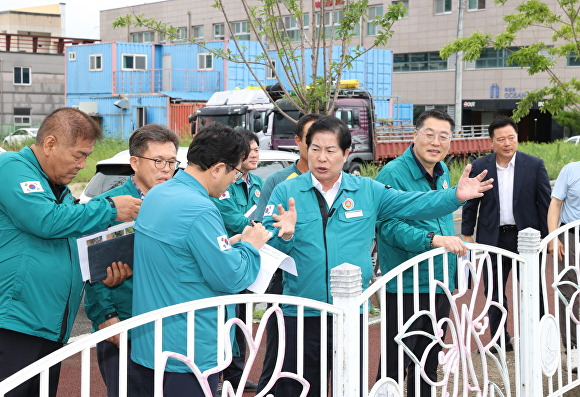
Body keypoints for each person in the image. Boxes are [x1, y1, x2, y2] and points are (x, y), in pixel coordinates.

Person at [261, 115, 493, 397]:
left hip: (351, 312)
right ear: (305, 150)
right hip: (302, 314)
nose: (322, 158)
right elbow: (269, 252)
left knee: (351, 387)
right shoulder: (286, 191)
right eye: (315, 149)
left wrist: (455, 196)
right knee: (298, 388)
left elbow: (415, 204)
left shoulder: (367, 191)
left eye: (330, 150)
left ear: (346, 154)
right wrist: (285, 235)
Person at [0, 107, 141, 397]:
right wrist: (110, 207)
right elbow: (45, 221)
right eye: (78, 154)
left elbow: (68, 242)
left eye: (87, 156)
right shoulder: (12, 167)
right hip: (15, 323)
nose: (82, 164)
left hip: (50, 327)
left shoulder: (59, 189)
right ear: (50, 144)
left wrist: (105, 271)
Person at [130, 122, 272, 397]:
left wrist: (229, 245)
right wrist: (251, 246)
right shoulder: (200, 208)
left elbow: (183, 254)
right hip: (190, 349)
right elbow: (230, 277)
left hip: (153, 341)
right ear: (218, 168)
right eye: (235, 171)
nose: (234, 179)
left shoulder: (159, 192)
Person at [374, 109, 468, 395]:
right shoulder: (392, 173)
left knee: (429, 359)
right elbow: (387, 227)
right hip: (406, 285)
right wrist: (433, 239)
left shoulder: (443, 172)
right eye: (429, 134)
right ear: (414, 135)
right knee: (396, 359)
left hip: (439, 282)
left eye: (443, 136)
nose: (435, 142)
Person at [84, 123, 180, 397]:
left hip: (171, 322)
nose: (166, 169)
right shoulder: (107, 205)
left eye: (172, 161)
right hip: (125, 322)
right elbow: (88, 268)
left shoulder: (180, 203)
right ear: (134, 162)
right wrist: (106, 316)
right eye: (158, 160)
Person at [461, 115, 551, 352]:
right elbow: (471, 202)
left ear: (517, 138)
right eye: (501, 139)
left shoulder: (534, 165)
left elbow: (545, 203)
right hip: (494, 238)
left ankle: (539, 336)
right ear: (492, 142)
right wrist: (467, 233)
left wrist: (548, 237)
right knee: (494, 291)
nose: (507, 143)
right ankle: (500, 339)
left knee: (534, 289)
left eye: (511, 138)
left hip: (528, 238)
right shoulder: (481, 166)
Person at [254, 113, 323, 395]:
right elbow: (263, 228)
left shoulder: (335, 183)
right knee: (281, 352)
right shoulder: (280, 182)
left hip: (320, 284)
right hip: (283, 281)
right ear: (298, 142)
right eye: (313, 142)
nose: (320, 148)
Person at [211, 129, 263, 393]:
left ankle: (236, 375)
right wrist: (255, 228)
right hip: (228, 258)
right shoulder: (222, 186)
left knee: (241, 319)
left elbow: (266, 214)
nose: (253, 153)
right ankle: (219, 376)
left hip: (249, 259)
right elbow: (234, 220)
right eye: (248, 149)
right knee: (222, 320)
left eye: (256, 149)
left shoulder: (258, 184)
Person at [547, 161, 580, 372]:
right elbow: (556, 204)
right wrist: (553, 237)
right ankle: (574, 349)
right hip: (569, 236)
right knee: (568, 292)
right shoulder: (570, 170)